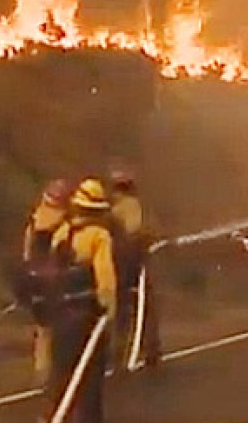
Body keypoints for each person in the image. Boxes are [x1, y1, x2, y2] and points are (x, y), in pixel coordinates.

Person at [45, 177, 117, 423]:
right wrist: (109, 311)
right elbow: (105, 279)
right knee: (90, 382)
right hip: (86, 319)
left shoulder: (61, 234)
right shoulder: (99, 236)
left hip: (60, 317)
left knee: (62, 376)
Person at [108, 168, 163, 370]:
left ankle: (120, 352)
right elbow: (135, 230)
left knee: (123, 308)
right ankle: (150, 349)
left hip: (119, 263)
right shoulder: (131, 206)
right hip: (134, 261)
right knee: (144, 305)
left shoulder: (113, 208)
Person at [20, 179, 70, 386]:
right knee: (59, 324)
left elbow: (27, 249)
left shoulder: (36, 218)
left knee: (43, 326)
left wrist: (28, 271)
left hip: (38, 276)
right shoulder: (67, 221)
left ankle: (42, 368)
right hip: (59, 277)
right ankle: (57, 368)